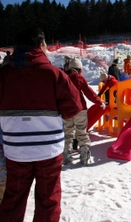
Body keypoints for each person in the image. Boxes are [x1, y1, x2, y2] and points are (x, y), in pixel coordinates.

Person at [0, 27, 82, 221]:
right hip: (49, 149)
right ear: (41, 45)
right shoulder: (54, 74)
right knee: (48, 198)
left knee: (14, 197)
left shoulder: (3, 75)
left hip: (15, 149)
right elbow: (74, 107)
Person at [63, 57, 106, 165]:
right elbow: (89, 92)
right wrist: (99, 102)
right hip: (79, 109)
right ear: (79, 69)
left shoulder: (63, 77)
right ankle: (84, 156)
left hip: (66, 111)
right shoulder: (78, 78)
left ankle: (66, 155)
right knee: (81, 132)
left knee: (68, 133)